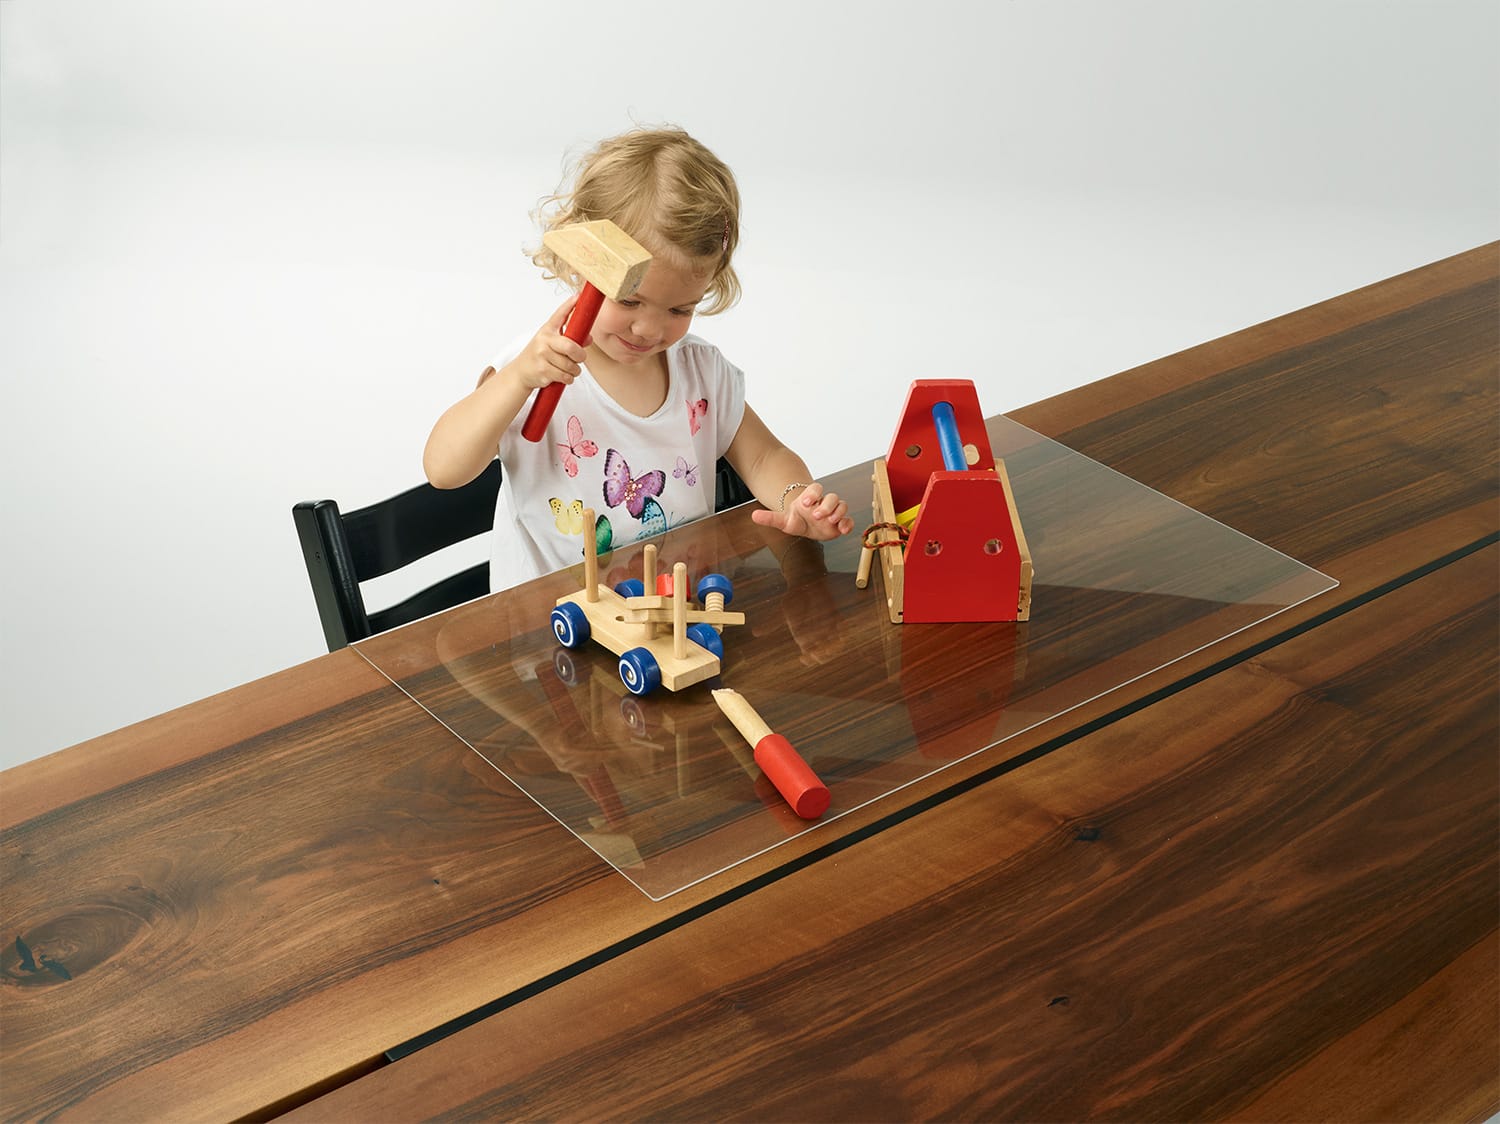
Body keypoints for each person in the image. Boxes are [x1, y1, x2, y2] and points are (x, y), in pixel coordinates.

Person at [423, 125, 854, 592]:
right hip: (553, 621)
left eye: (679, 309)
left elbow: (765, 456)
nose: (649, 329)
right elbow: (444, 470)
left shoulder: (700, 373)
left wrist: (796, 499)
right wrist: (517, 379)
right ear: (582, 262)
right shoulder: (534, 367)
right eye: (629, 300)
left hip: (677, 609)